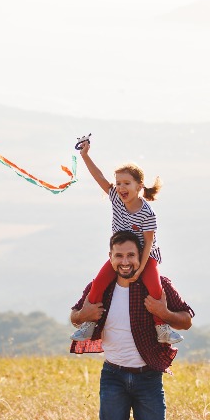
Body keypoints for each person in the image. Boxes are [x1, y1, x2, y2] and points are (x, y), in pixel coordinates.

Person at [70, 230, 195, 420]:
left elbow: (186, 320)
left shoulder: (159, 285)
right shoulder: (100, 287)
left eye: (131, 255)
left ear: (140, 257)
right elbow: (75, 317)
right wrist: (84, 314)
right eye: (119, 255)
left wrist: (163, 312)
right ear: (110, 257)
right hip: (113, 376)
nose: (125, 261)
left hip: (148, 377)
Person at [71, 139, 184, 345]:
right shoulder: (115, 196)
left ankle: (162, 327)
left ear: (139, 186)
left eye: (127, 183)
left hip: (145, 255)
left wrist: (140, 268)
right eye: (119, 183)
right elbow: (99, 176)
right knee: (98, 283)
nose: (121, 187)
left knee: (155, 287)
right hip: (121, 253)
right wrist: (85, 155)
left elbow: (149, 242)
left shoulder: (147, 213)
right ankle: (89, 323)